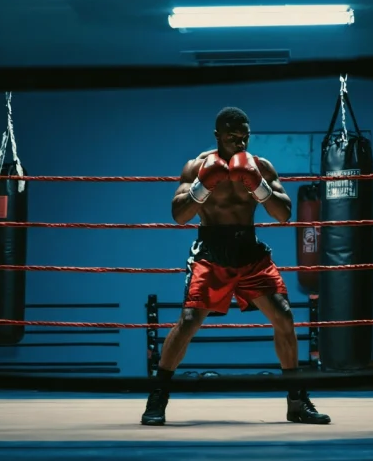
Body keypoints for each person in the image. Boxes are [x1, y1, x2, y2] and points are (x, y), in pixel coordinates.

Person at [141, 107, 331, 426]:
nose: (240, 142)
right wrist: (204, 186)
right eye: (232, 137)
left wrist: (257, 185)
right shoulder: (197, 166)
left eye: (245, 136)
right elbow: (179, 215)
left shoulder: (260, 166)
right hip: (211, 252)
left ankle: (297, 400)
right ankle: (158, 396)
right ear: (218, 136)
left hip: (250, 252)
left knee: (283, 314)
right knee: (188, 321)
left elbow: (284, 214)